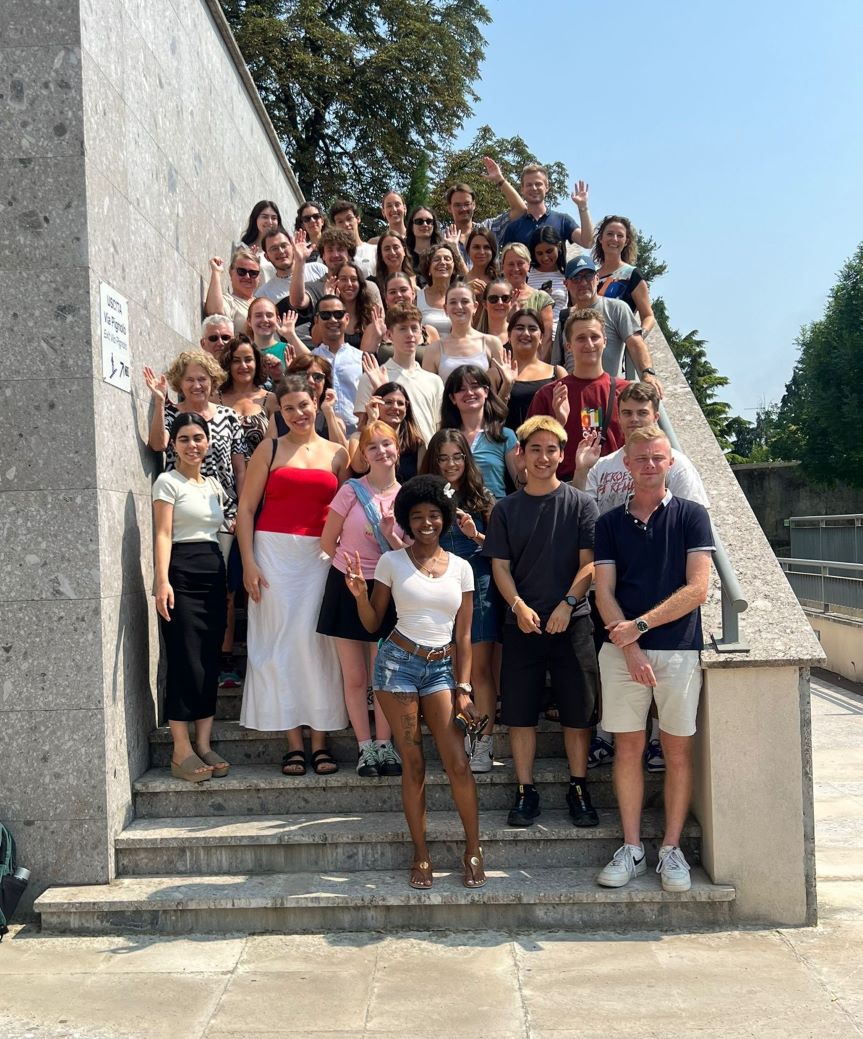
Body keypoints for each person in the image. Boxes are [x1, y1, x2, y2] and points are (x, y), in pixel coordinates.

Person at [344, 474, 485, 890]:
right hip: (396, 667)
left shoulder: (462, 568)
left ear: (444, 518)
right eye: (418, 516)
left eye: (433, 515)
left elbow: (464, 636)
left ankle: (473, 848)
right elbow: (373, 623)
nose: (426, 523)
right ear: (407, 518)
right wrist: (357, 593)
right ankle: (421, 854)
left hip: (442, 669)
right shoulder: (391, 562)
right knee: (415, 763)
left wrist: (464, 688)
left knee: (458, 763)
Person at [593, 426, 713, 892]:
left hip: (679, 650)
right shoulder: (608, 524)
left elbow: (698, 588)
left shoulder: (692, 516)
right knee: (627, 748)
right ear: (626, 464)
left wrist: (639, 627)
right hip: (623, 653)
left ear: (670, 463)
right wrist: (631, 647)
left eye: (656, 458)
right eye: (639, 458)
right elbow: (603, 591)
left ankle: (671, 849)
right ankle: (632, 847)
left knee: (678, 751)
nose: (648, 464)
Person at [573, 381, 710, 773]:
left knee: (656, 676)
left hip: (664, 581)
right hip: (615, 575)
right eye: (628, 413)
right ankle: (607, 730)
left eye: (642, 413)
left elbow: (691, 518)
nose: (635, 419)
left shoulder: (676, 463)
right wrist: (582, 468)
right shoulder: (603, 464)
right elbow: (585, 513)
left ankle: (654, 740)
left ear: (656, 414)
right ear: (618, 414)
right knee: (614, 654)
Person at [484, 415, 600, 828]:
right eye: (536, 449)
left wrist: (568, 603)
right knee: (518, 713)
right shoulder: (505, 510)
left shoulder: (582, 504)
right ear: (522, 454)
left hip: (575, 623)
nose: (544, 457)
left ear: (561, 454)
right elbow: (500, 566)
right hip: (522, 625)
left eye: (552, 449)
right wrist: (516, 605)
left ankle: (579, 786)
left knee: (578, 712)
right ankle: (524, 789)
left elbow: (589, 566)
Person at [237, 375, 350, 776]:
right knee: (278, 644)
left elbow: (350, 507)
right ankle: (293, 744)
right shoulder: (268, 449)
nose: (298, 413)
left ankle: (320, 741)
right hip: (272, 555)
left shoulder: (338, 453)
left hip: (319, 557)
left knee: (317, 645)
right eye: (289, 408)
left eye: (304, 404)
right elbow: (246, 510)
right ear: (279, 412)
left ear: (316, 403)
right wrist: (249, 562)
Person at [319, 421, 405, 778]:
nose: (381, 452)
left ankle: (386, 746)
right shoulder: (350, 491)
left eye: (387, 444)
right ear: (363, 454)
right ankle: (365, 747)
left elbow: (414, 551)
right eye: (373, 447)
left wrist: (390, 535)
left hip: (387, 588)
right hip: (346, 586)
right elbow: (328, 541)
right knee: (355, 678)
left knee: (383, 676)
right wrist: (349, 567)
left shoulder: (408, 495)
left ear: (397, 447)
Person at [152, 413, 229, 782]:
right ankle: (180, 750)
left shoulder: (214, 485)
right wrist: (161, 580)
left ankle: (203, 741)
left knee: (210, 658)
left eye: (198, 437)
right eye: (184, 438)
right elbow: (163, 534)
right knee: (185, 659)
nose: (192, 445)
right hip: (180, 573)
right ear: (174, 444)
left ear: (208, 442)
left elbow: (221, 531)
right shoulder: (167, 483)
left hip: (213, 571)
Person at [422, 431, 499, 773]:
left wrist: (475, 534)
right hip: (436, 585)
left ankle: (482, 743)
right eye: (443, 457)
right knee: (445, 669)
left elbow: (501, 552)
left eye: (457, 456)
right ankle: (455, 741)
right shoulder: (425, 497)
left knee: (478, 670)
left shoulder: (483, 497)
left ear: (466, 459)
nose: (451, 464)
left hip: (477, 584)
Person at [144, 350, 247, 528]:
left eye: (202, 379)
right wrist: (160, 402)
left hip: (226, 513)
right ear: (179, 384)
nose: (196, 385)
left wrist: (244, 512)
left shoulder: (229, 416)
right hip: (184, 511)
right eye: (189, 380)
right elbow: (157, 445)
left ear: (212, 381)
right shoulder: (171, 414)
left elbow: (239, 470)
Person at [527, 309, 628, 481]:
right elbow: (531, 452)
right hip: (566, 487)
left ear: (605, 341)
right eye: (581, 338)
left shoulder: (625, 391)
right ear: (568, 345)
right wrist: (558, 422)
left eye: (594, 337)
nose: (589, 344)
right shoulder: (548, 394)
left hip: (614, 485)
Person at [551, 255, 662, 395]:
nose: (583, 283)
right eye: (576, 278)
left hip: (609, 394)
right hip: (574, 396)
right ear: (566, 284)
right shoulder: (564, 317)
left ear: (597, 278)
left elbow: (635, 343)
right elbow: (555, 363)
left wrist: (647, 373)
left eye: (588, 276)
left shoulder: (617, 308)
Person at [353, 302, 443, 444]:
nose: (410, 334)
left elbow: (438, 428)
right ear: (389, 334)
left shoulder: (434, 381)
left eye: (414, 328)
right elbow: (363, 428)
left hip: (425, 460)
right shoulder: (370, 378)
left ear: (421, 332)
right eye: (402, 329)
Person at [440, 364, 519, 501]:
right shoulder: (444, 437)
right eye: (461, 389)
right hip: (456, 514)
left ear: (486, 391)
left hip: (494, 514)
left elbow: (520, 484)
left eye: (475, 386)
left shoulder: (505, 435)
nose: (469, 393)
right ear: (453, 398)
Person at [288, 227, 383, 324]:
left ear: (350, 254)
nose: (335, 255)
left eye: (340, 249)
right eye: (330, 250)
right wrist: (300, 261)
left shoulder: (368, 287)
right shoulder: (315, 287)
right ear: (323, 256)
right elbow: (297, 302)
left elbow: (380, 324)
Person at [423, 280, 506, 386]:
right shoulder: (433, 350)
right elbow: (429, 393)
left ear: (475, 307)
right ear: (445, 309)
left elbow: (497, 389)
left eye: (465, 301)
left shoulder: (492, 343)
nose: (459, 306)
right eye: (453, 302)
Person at [499, 165, 593, 248]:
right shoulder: (513, 228)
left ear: (547, 187)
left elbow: (588, 243)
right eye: (529, 185)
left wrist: (583, 207)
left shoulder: (563, 220)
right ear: (522, 189)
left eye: (538, 184)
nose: (534, 188)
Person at [350, 381, 425, 483]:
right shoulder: (358, 437)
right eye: (388, 402)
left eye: (400, 403)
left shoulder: (417, 443)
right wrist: (372, 421)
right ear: (375, 405)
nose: (395, 407)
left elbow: (421, 480)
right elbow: (360, 467)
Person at [504, 309, 567, 430]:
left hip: (545, 445)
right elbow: (490, 418)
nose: (526, 333)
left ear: (541, 337)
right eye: (519, 328)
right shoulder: (497, 374)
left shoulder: (558, 373)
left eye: (532, 329)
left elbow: (567, 416)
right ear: (509, 335)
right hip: (507, 446)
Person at [311, 295, 365, 434]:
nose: (333, 320)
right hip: (320, 434)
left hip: (356, 434)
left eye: (338, 314)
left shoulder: (363, 358)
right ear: (316, 320)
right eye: (325, 315)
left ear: (346, 319)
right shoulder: (310, 359)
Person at [593, 215, 656, 334]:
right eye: (610, 234)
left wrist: (638, 339)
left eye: (620, 235)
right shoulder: (591, 277)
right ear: (601, 238)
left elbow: (648, 316)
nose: (614, 239)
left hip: (620, 347)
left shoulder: (632, 275)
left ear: (626, 241)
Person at [269, 354, 347, 447]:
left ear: (325, 382)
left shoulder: (334, 419)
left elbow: (342, 456)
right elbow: (268, 453)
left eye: (317, 377)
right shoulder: (277, 418)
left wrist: (328, 411)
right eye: (302, 375)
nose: (310, 381)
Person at [216, 336, 275, 457]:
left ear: (257, 363)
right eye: (236, 361)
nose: (243, 366)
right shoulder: (214, 399)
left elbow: (277, 445)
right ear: (228, 364)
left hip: (261, 473)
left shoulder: (270, 400)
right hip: (223, 474)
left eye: (248, 360)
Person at [500, 243, 554, 356]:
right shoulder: (495, 297)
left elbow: (547, 338)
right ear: (502, 266)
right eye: (510, 264)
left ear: (528, 265)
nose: (515, 268)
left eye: (520, 263)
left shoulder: (542, 298)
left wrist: (537, 366)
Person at [309, 261, 376, 351]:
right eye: (343, 279)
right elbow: (316, 341)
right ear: (335, 283)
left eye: (353, 279)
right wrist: (330, 300)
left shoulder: (369, 313)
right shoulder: (324, 312)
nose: (349, 284)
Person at [255, 226, 327, 308]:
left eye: (284, 245)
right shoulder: (264, 294)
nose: (281, 251)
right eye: (274, 249)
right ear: (267, 257)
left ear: (293, 247)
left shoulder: (317, 269)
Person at [204, 249, 260, 335]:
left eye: (253, 273)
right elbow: (215, 313)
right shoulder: (228, 300)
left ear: (259, 277)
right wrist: (216, 272)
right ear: (231, 272)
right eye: (241, 272)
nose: (247, 276)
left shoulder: (264, 304)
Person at [416, 242, 468, 335]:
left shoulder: (463, 296)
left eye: (447, 259)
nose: (442, 262)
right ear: (428, 268)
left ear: (454, 268)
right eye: (436, 259)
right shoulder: (417, 298)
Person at [527, 226, 568, 336]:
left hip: (559, 337)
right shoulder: (527, 273)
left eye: (549, 251)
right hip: (531, 335)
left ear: (558, 246)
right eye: (539, 253)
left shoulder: (567, 275)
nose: (545, 257)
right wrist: (538, 300)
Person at [245, 296, 307, 368]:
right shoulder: (243, 351)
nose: (265, 319)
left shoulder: (288, 350)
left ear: (278, 320)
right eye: (258, 316)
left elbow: (315, 365)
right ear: (249, 321)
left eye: (269, 315)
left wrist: (291, 336)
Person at [329, 199, 377, 277]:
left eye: (349, 219)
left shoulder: (374, 251)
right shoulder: (330, 256)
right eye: (340, 222)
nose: (346, 224)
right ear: (334, 225)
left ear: (358, 219)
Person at [236, 199, 281, 281]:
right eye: (265, 217)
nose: (270, 222)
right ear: (255, 219)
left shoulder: (283, 250)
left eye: (274, 218)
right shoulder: (243, 249)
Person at [405, 206, 444, 283]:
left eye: (429, 221)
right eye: (419, 221)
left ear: (434, 225)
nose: (425, 224)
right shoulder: (404, 256)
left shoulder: (442, 254)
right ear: (412, 226)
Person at [373, 231, 415, 296]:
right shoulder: (373, 284)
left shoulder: (418, 281)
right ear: (381, 255)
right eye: (387, 249)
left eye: (396, 247)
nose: (392, 252)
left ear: (404, 251)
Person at [465, 226, 499, 299]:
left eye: (486, 247)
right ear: (468, 250)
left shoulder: (501, 279)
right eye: (476, 247)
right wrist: (466, 290)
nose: (482, 252)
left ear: (493, 251)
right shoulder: (459, 280)